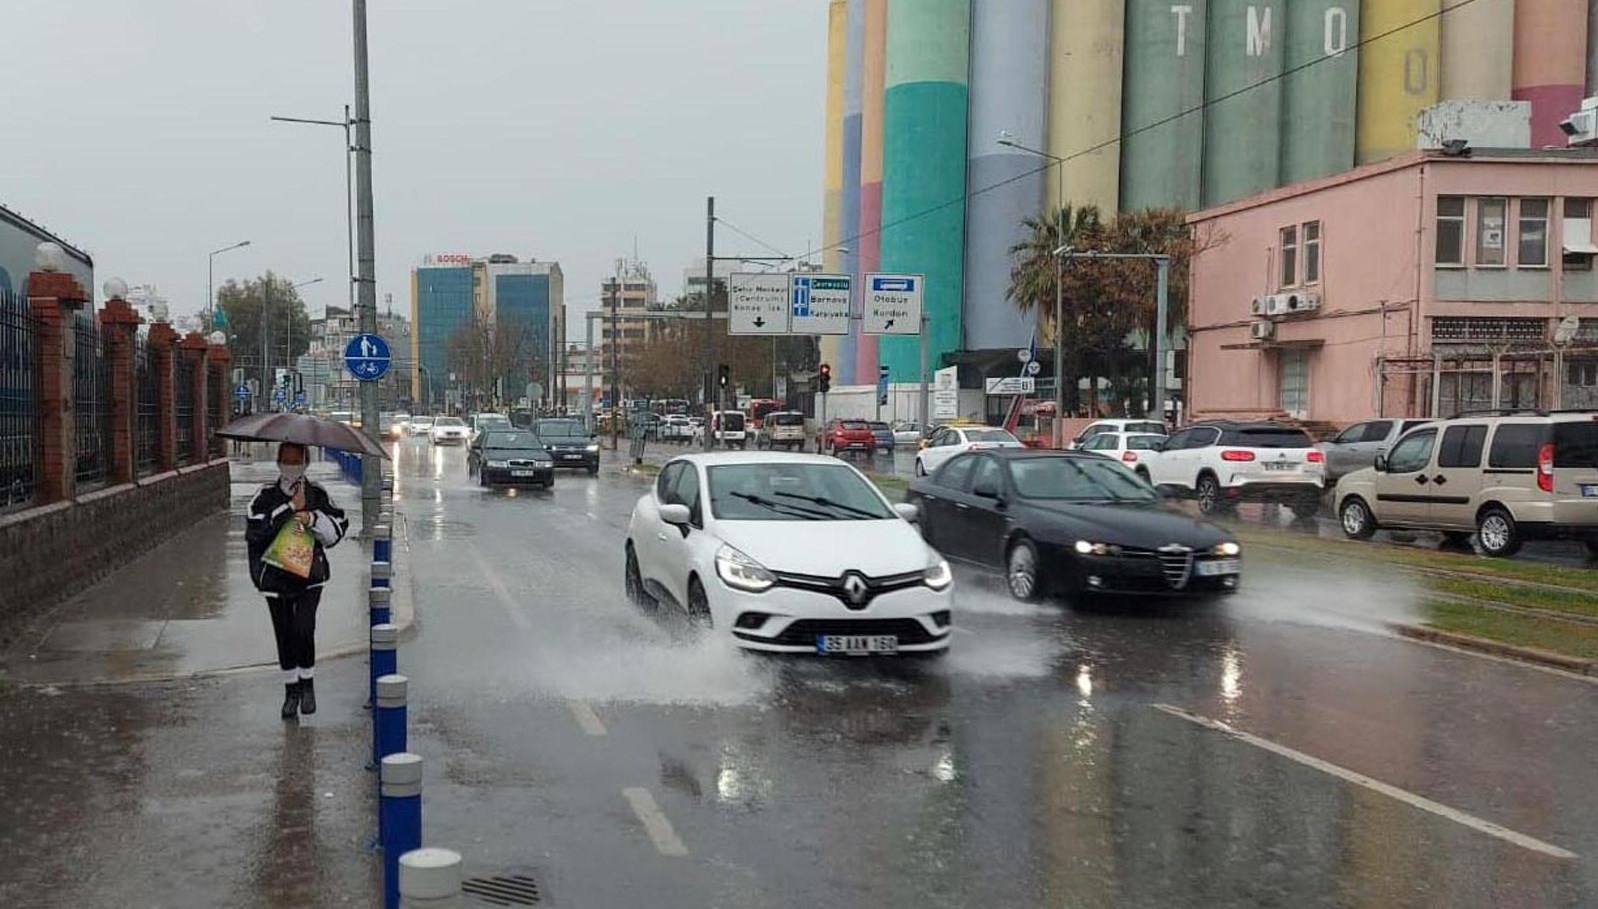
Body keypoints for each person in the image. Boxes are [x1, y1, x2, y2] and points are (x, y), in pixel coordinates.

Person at [246, 442, 349, 718]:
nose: (292, 464)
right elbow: (257, 531)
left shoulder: (317, 494)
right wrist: (290, 507)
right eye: (287, 458)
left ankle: (307, 685)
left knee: (304, 629)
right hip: (275, 579)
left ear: (306, 461)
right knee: (285, 633)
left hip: (309, 578)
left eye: (297, 458)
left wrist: (312, 517)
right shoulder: (265, 496)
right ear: (279, 461)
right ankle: (290, 690)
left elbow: (337, 529)